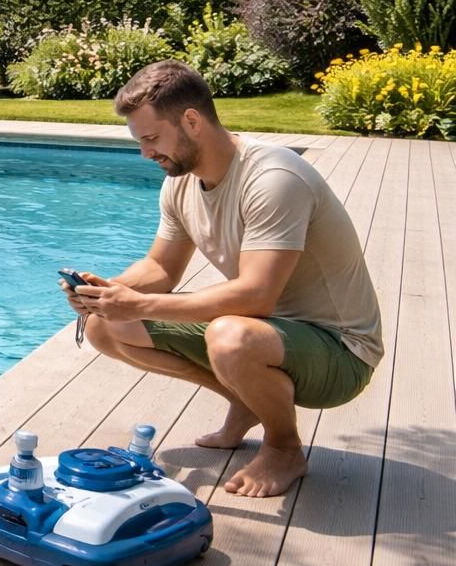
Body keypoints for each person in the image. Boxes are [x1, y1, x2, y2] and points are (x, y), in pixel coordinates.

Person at [65, 60, 382, 498]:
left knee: (230, 336)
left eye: (152, 138)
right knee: (106, 327)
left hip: (339, 350)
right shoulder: (180, 183)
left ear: (191, 121)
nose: (145, 153)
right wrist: (106, 293)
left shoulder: (272, 178)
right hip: (269, 333)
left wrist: (138, 304)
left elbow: (256, 296)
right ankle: (248, 399)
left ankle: (284, 447)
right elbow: (161, 269)